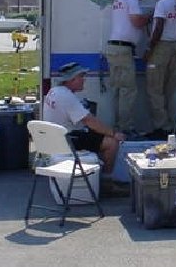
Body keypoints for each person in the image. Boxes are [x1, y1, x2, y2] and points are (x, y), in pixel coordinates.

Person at [43, 62, 128, 196]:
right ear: (72, 79)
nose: (84, 80)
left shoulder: (54, 91)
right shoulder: (67, 97)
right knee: (111, 143)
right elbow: (90, 122)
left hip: (55, 139)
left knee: (97, 137)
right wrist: (114, 133)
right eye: (81, 76)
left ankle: (99, 178)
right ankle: (107, 183)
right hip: (67, 141)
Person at [105, 0, 151, 135]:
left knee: (117, 89)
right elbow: (136, 21)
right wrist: (149, 17)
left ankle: (117, 126)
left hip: (113, 47)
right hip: (123, 50)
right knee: (128, 90)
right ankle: (126, 128)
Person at [145, 0, 176, 140]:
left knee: (154, 89)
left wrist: (149, 48)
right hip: (174, 47)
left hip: (160, 47)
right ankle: (168, 125)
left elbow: (159, 27)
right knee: (168, 89)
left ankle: (162, 127)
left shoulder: (162, 4)